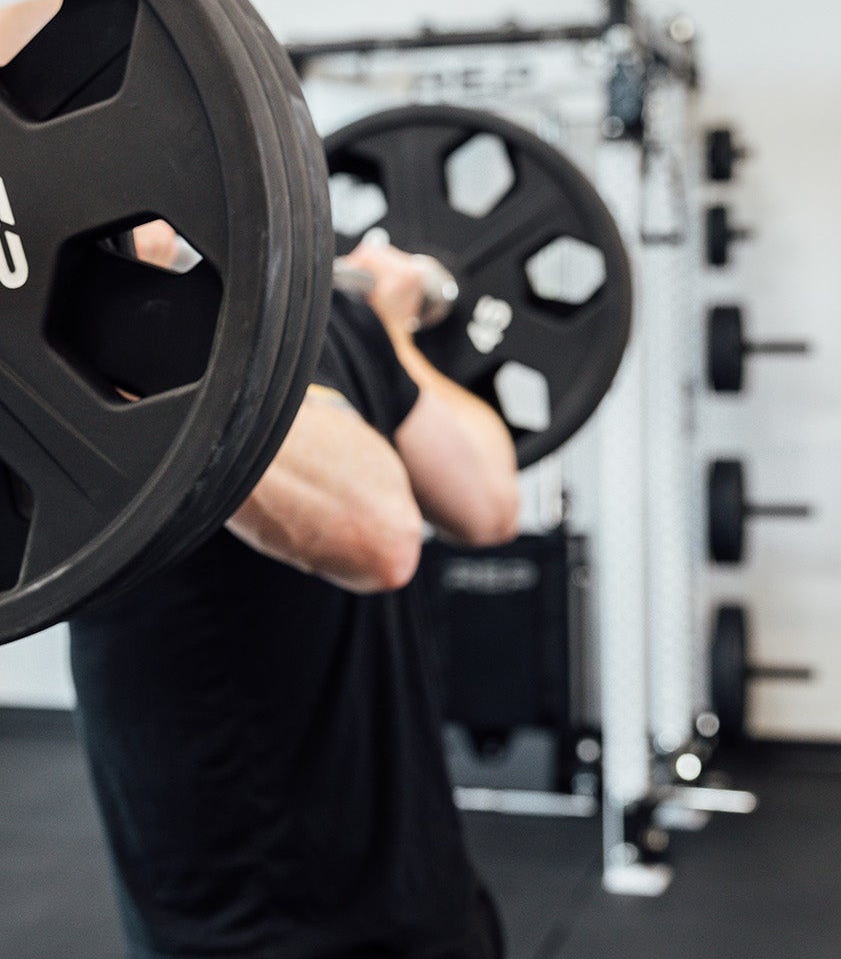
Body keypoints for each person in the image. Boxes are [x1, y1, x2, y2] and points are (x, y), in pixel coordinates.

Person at [69, 224, 522, 959]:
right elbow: (381, 535)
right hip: (244, 910)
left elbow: (489, 504)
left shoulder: (317, 306)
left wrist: (392, 334)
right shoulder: (79, 340)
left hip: (416, 883)